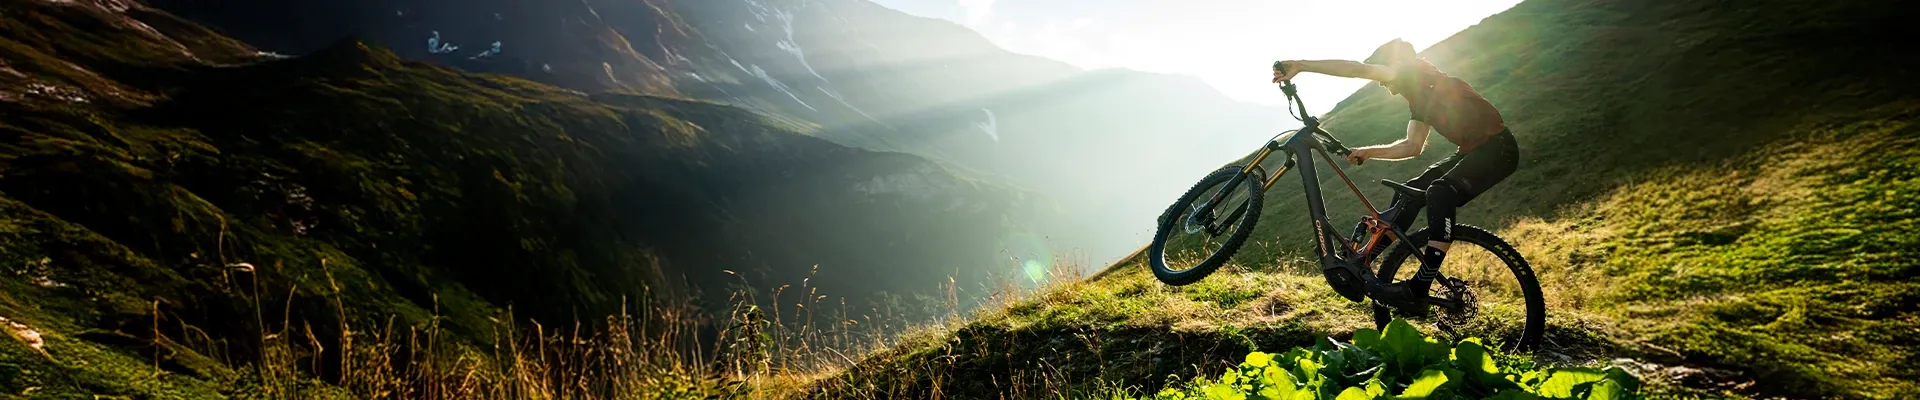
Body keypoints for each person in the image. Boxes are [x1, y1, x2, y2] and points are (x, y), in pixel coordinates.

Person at [1271, 39, 1519, 309]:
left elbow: (1357, 69)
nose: (1381, 84)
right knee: (1409, 194)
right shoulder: (1420, 96)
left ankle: (1421, 284)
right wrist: (1367, 152)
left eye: (1381, 73)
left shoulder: (1410, 72)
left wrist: (1302, 65)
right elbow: (1412, 146)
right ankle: (1362, 261)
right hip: (1473, 151)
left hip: (1498, 149)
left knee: (1440, 191)